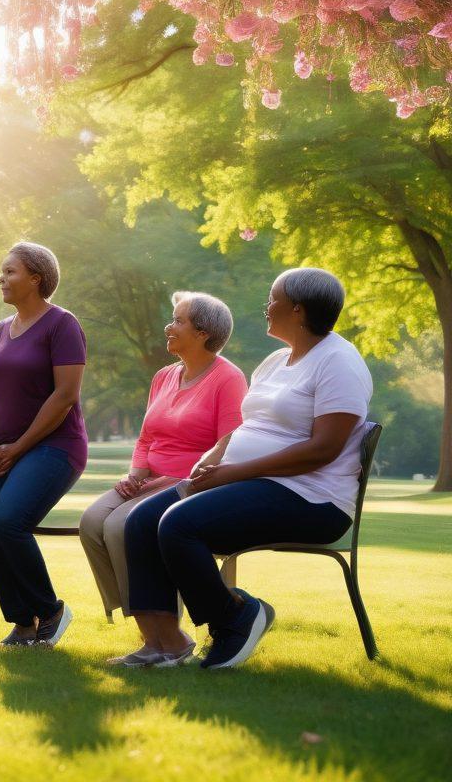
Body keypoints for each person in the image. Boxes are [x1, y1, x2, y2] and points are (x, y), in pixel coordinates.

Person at [122, 267, 373, 669]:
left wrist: (234, 473)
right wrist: (216, 454)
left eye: (273, 299)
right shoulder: (275, 361)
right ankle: (163, 643)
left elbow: (323, 449)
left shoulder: (340, 363)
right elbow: (250, 426)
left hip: (311, 497)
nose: (266, 307)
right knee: (141, 520)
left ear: (297, 309)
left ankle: (234, 616)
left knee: (178, 524)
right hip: (247, 481)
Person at [80, 291, 246, 660]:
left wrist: (183, 477)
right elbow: (147, 436)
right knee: (92, 522)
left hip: (189, 484)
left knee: (120, 525)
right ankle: (147, 630)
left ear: (202, 332)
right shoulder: (164, 377)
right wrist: (135, 473)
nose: (168, 327)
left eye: (178, 321)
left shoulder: (228, 378)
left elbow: (229, 443)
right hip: (148, 479)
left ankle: (168, 637)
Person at [0, 242, 87, 648]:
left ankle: (50, 610)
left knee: (8, 521)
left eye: (10, 272)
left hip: (53, 448)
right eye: (1, 272)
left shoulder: (62, 324)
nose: (0, 278)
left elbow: (65, 395)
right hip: (0, 451)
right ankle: (23, 624)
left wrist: (18, 447)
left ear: (36, 278)